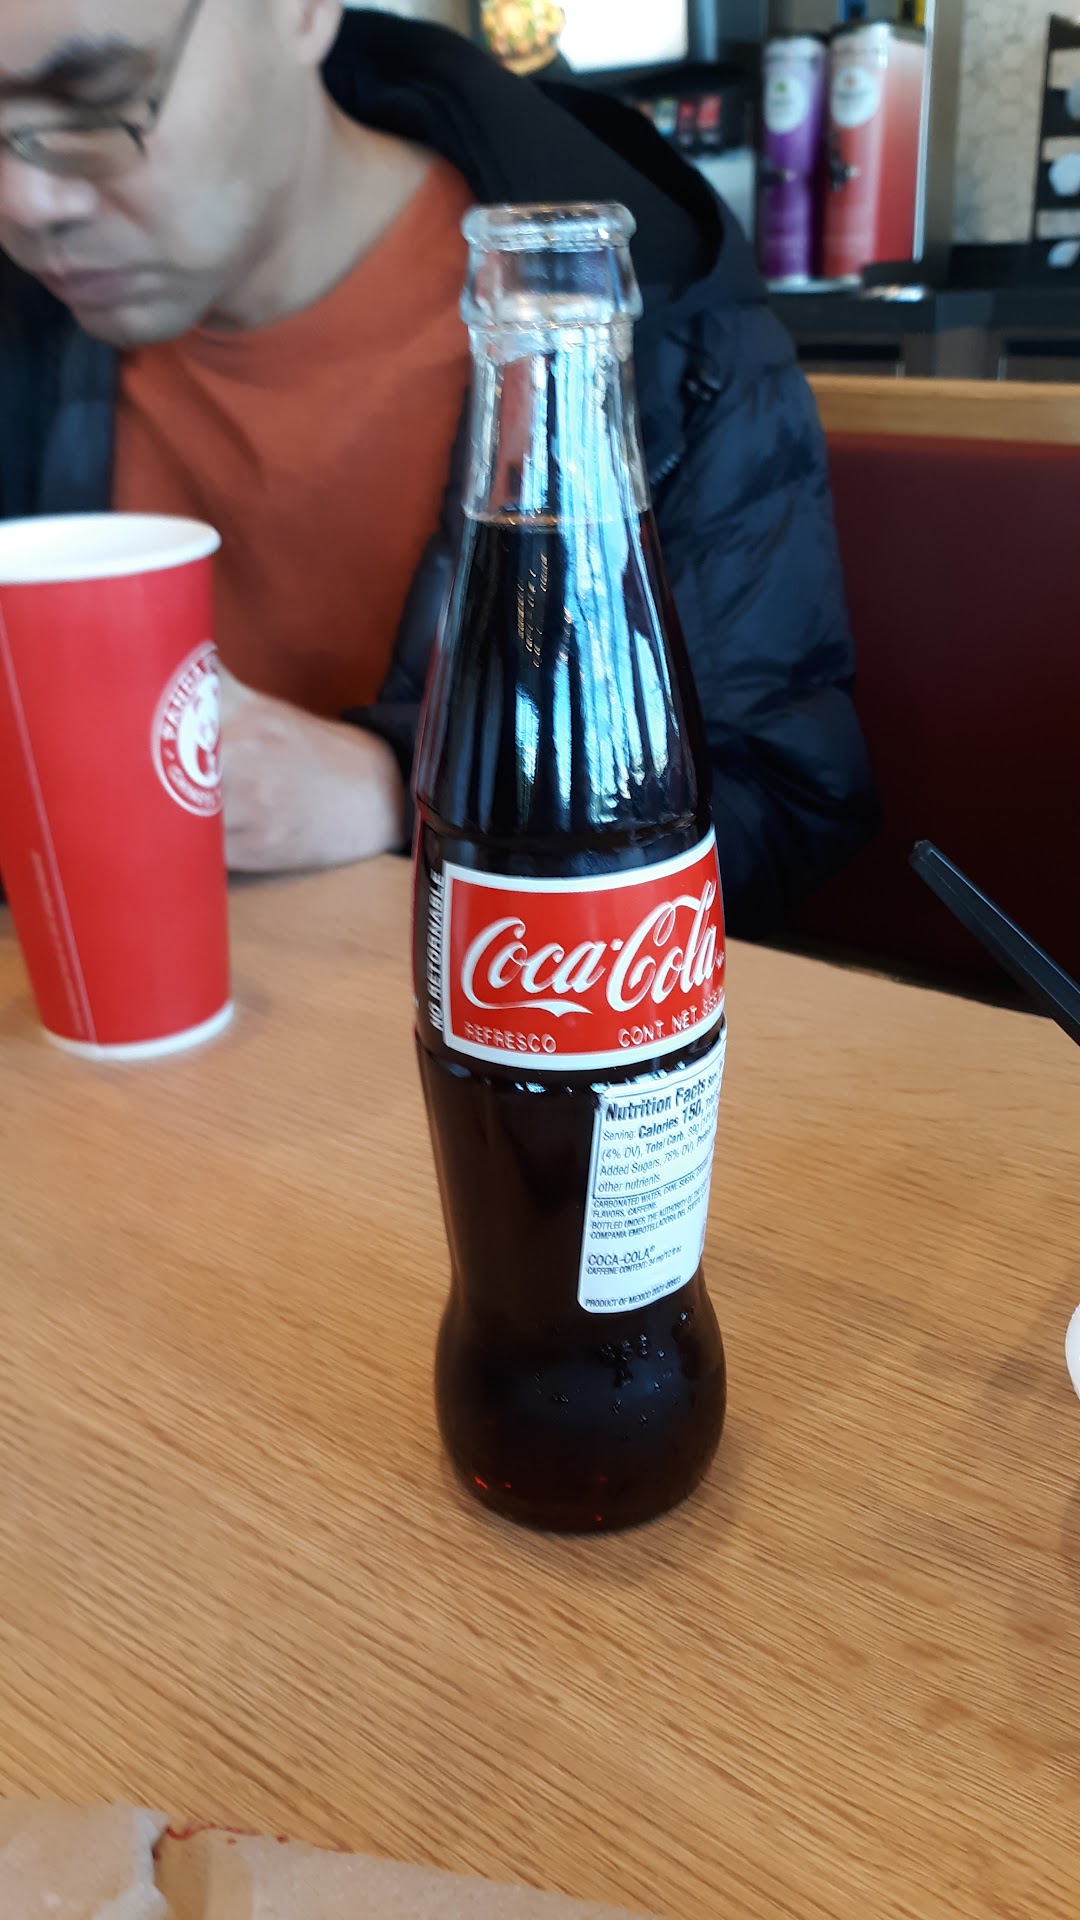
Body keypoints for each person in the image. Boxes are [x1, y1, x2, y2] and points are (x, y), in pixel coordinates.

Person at [0, 0, 877, 936]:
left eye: (99, 104)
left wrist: (393, 789)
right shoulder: (25, 329)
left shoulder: (652, 327)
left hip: (454, 1004)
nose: (27, 203)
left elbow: (780, 800)